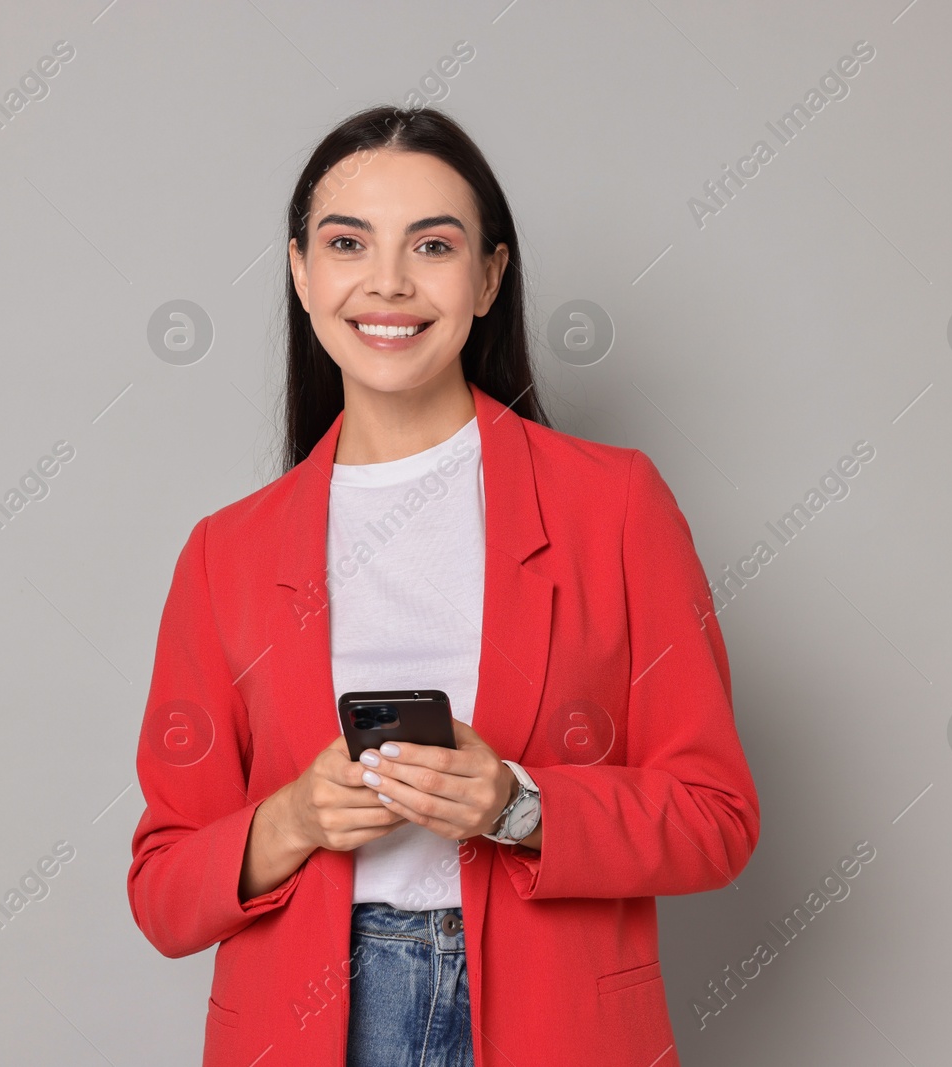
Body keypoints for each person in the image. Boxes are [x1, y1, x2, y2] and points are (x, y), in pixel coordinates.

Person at [127, 104, 761, 1067]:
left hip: (555, 1024)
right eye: (348, 243)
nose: (388, 281)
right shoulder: (226, 553)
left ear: (489, 276)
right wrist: (293, 818)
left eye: (432, 244)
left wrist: (520, 803)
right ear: (301, 272)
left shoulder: (615, 504)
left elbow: (717, 818)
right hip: (314, 1023)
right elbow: (164, 888)